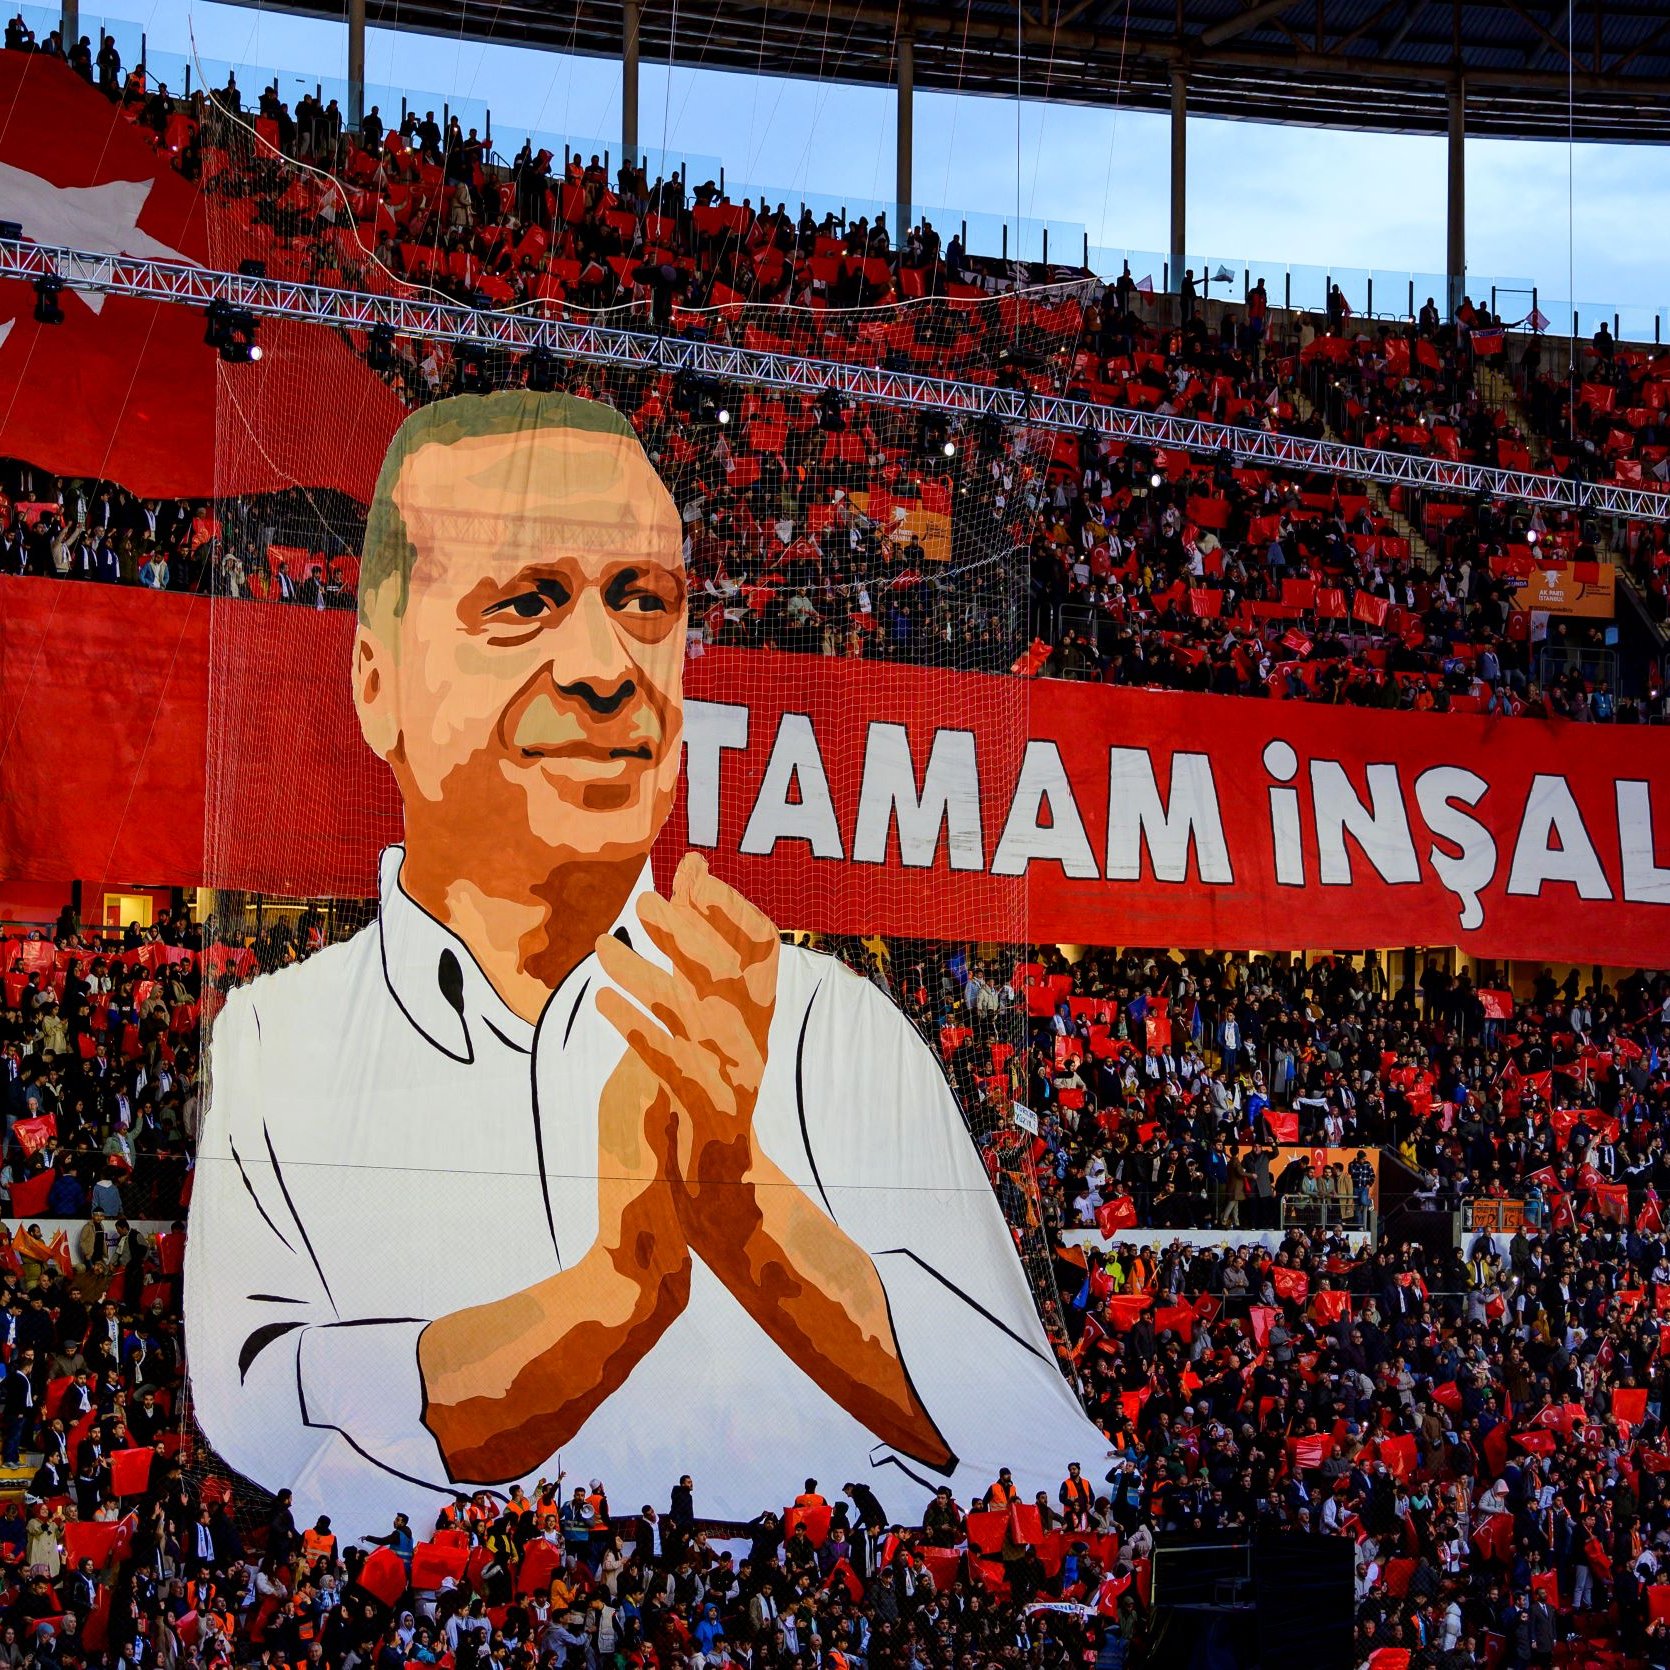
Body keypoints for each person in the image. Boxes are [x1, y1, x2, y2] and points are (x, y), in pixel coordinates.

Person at [186, 390, 1106, 1529]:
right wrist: (604, 1302)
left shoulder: (829, 1032)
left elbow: (1048, 1451)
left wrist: (753, 1216)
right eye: (526, 601)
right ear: (376, 682)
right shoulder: (279, 1042)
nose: (607, 665)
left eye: (643, 600)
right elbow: (256, 1415)